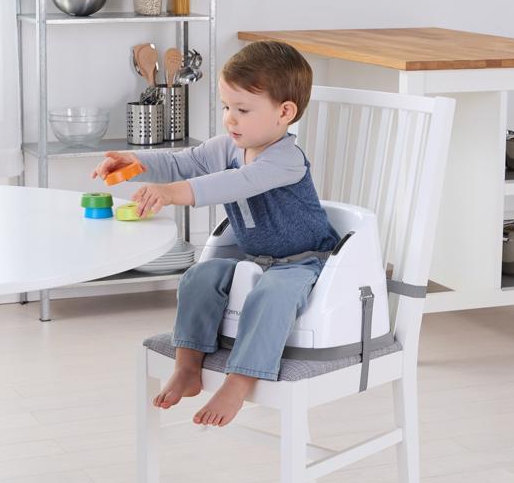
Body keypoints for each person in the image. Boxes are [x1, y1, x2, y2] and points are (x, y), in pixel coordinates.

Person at [92, 41, 339, 426]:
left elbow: (233, 183)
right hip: (253, 258)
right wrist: (136, 162)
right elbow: (181, 163)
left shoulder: (285, 159)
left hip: (303, 261)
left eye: (242, 110)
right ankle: (187, 365)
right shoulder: (227, 147)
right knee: (199, 276)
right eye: (226, 107)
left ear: (284, 112)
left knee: (271, 294)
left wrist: (171, 194)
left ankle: (239, 381)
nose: (230, 120)